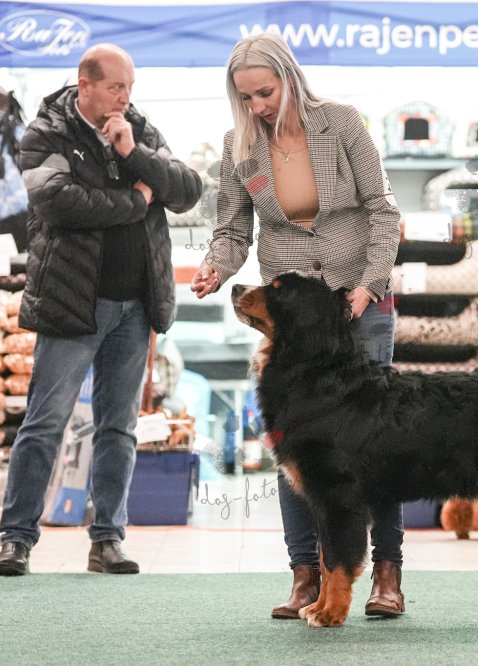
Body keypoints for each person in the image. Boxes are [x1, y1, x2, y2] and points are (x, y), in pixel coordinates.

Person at [190, 33, 404, 618]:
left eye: (265, 92)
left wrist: (370, 283)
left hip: (361, 300)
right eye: (246, 97)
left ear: (289, 79)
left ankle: (387, 574)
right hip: (293, 316)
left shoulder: (343, 122)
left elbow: (383, 211)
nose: (257, 105)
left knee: (377, 446)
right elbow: (233, 230)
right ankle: (305, 575)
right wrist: (216, 267)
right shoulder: (239, 146)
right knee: (296, 444)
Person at [0, 44, 203, 576]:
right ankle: (16, 539)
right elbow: (60, 202)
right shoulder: (46, 133)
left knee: (119, 428)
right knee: (45, 423)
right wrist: (136, 201)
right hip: (71, 304)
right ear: (85, 85)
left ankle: (108, 540)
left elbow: (187, 191)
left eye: (129, 87)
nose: (125, 97)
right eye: (115, 87)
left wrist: (135, 155)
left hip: (135, 307)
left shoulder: (139, 128)